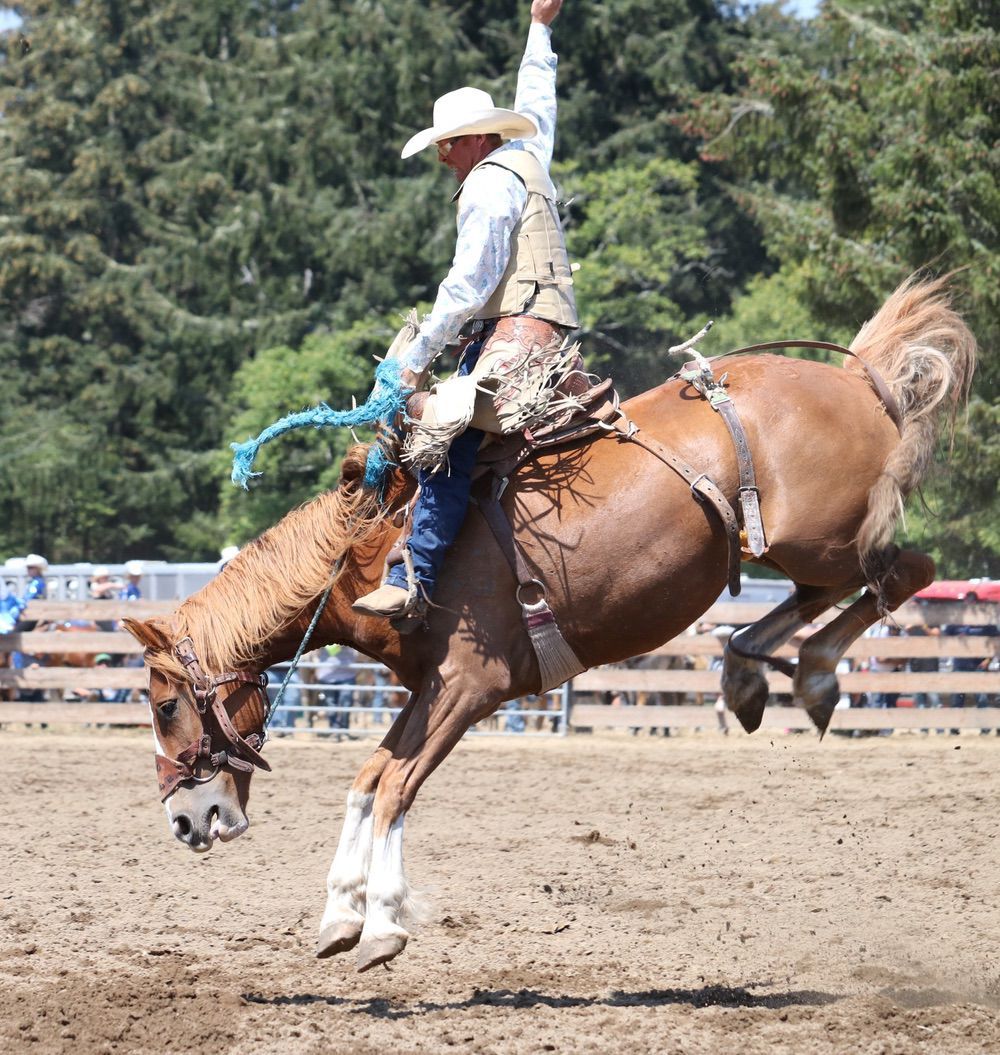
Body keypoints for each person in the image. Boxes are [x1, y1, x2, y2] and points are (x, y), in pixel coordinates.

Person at [353, 0, 580, 620]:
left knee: (446, 430)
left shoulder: (486, 182)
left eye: (447, 143)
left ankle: (417, 575)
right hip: (545, 327)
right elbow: (538, 106)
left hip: (518, 333)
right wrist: (539, 30)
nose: (441, 156)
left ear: (477, 138)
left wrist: (415, 359)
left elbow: (469, 281)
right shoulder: (527, 158)